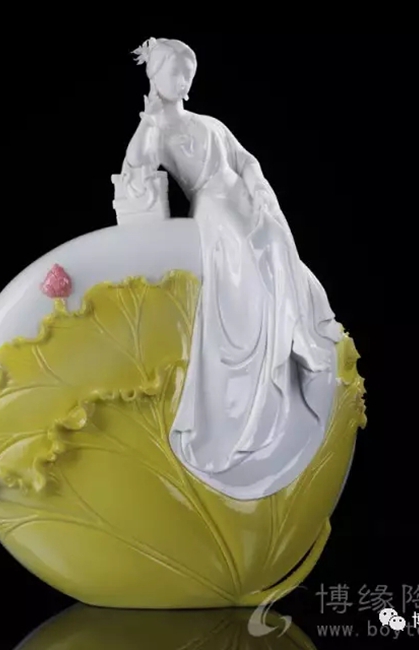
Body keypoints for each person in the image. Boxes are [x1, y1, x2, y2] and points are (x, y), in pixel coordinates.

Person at [121, 37, 342, 498]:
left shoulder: (209, 124)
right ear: (156, 76)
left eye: (188, 74)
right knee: (245, 283)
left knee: (277, 251)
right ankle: (259, 377)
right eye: (175, 72)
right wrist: (147, 121)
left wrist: (258, 187)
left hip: (243, 199)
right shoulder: (158, 129)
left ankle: (293, 338)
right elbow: (136, 166)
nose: (183, 81)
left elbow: (245, 160)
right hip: (215, 211)